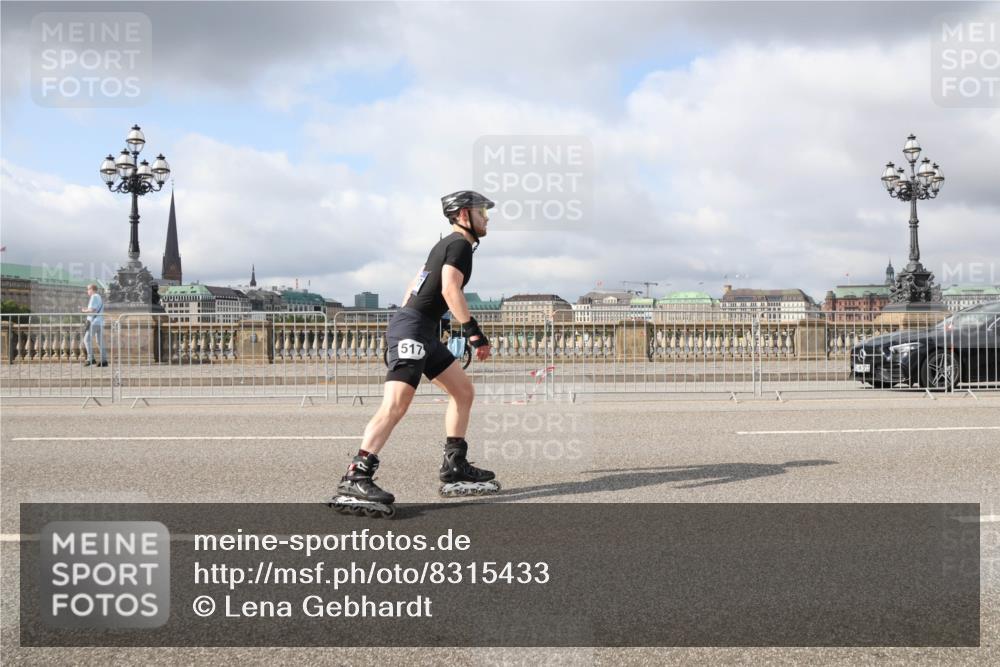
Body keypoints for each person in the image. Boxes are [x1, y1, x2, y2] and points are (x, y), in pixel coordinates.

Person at [330, 191, 500, 517]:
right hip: (414, 329)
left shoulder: (444, 245)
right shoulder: (460, 245)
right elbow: (450, 288)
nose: (487, 218)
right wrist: (473, 332)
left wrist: (429, 323)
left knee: (463, 391)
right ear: (464, 215)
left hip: (420, 328)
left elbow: (415, 286)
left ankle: (455, 464)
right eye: (482, 212)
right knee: (396, 405)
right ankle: (356, 475)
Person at [81, 283, 107, 367]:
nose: (87, 291)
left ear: (92, 289)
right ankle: (104, 360)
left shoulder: (94, 296)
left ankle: (90, 359)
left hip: (94, 322)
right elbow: (95, 309)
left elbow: (92, 310)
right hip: (100, 322)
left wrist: (84, 311)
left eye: (88, 289)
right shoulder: (99, 297)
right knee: (100, 341)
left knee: (86, 339)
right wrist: (87, 309)